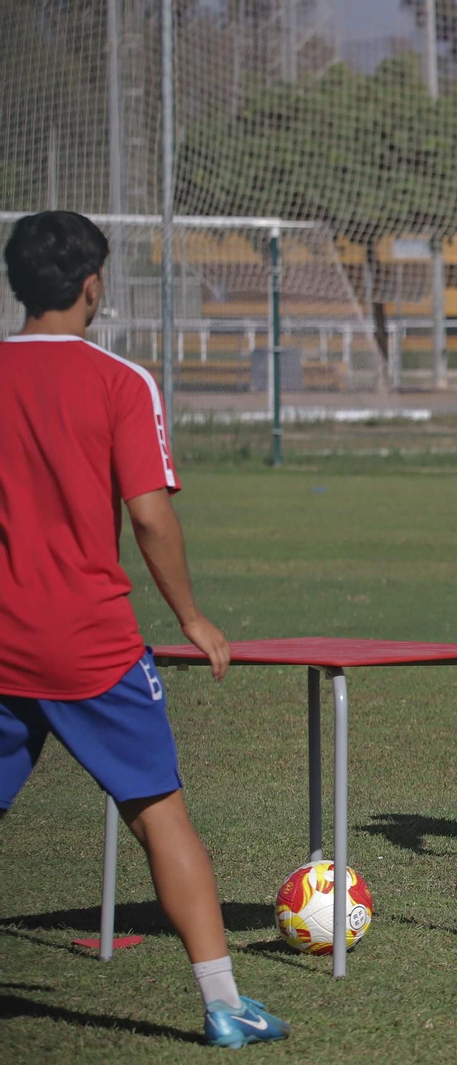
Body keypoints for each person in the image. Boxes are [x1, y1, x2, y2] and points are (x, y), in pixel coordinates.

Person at [0, 212, 290, 1046]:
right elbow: (151, 514)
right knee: (160, 812)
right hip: (88, 644)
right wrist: (192, 616)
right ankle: (225, 1004)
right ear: (93, 285)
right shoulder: (120, 381)